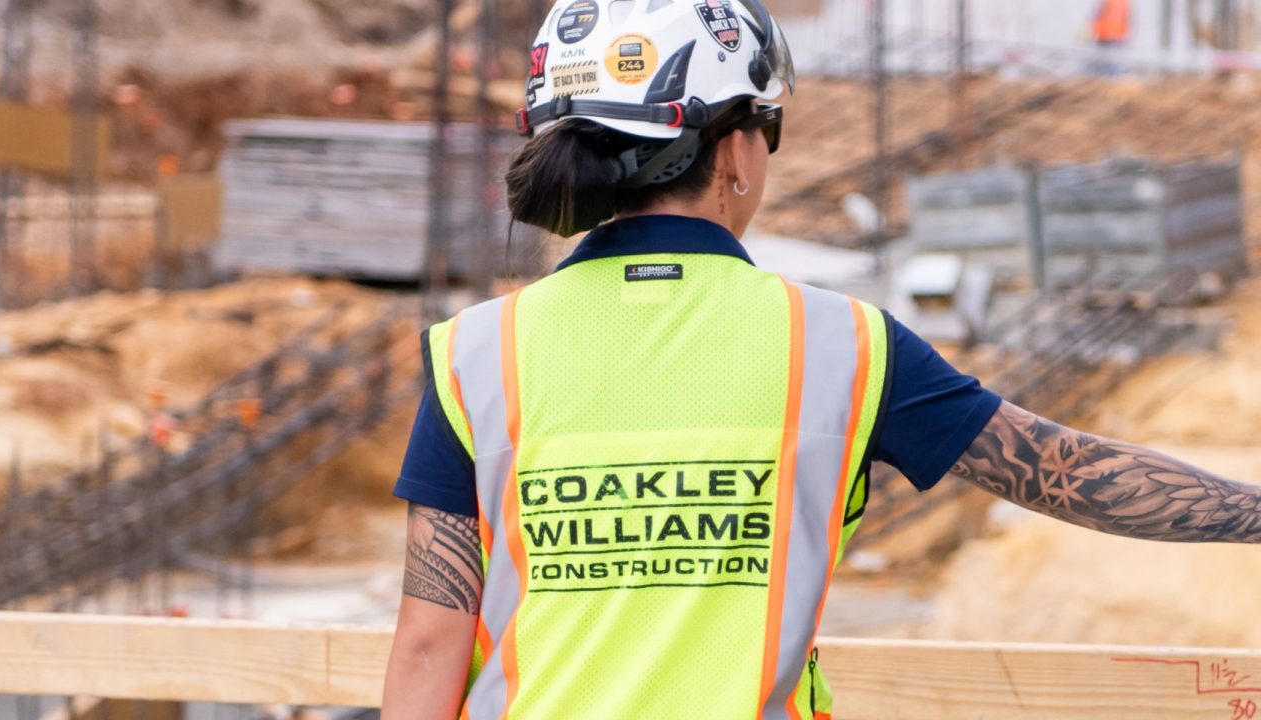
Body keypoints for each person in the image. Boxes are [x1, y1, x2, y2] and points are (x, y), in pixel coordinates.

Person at [381, 0, 1260, 716]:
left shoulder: (473, 354)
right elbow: (1070, 474)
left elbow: (429, 642)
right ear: (733, 149)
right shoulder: (841, 344)